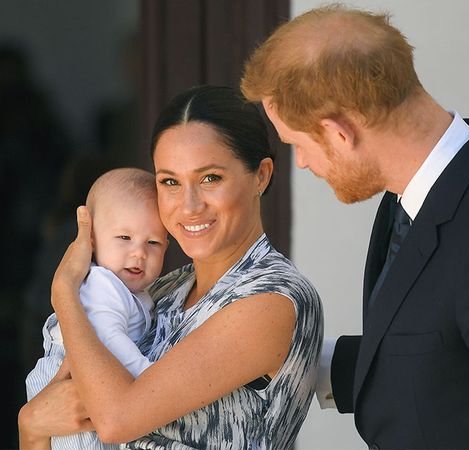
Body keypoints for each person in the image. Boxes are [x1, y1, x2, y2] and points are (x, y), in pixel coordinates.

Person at [241, 5, 469, 450]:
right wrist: (285, 357)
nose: (301, 163)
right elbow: (437, 361)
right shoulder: (414, 193)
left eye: (297, 144)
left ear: (339, 133)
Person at [18, 85, 324, 450]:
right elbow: (58, 427)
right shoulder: (160, 292)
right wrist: (30, 425)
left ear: (261, 175)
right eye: (170, 182)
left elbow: (116, 420)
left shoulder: (271, 298)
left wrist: (64, 292)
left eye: (211, 178)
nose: (189, 205)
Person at [25, 167, 168, 450]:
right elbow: (109, 339)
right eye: (124, 238)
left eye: (152, 242)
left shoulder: (136, 292)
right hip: (69, 383)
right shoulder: (103, 285)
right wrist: (150, 380)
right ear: (91, 240)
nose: (139, 253)